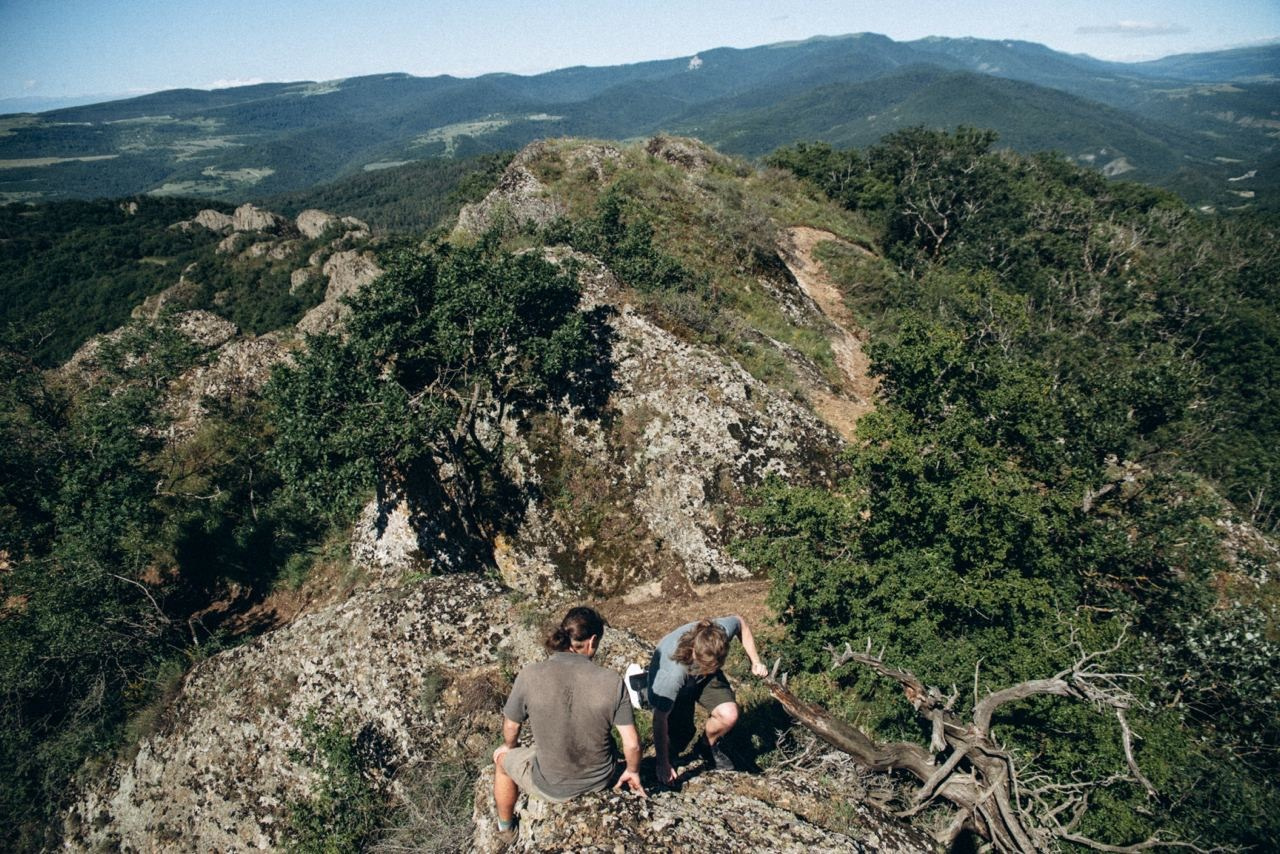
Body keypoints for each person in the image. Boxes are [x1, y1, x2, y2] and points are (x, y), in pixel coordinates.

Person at [493, 606, 645, 841]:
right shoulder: (612, 681)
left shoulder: (530, 675)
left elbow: (512, 726)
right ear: (592, 641)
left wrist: (508, 746)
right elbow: (632, 744)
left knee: (502, 763)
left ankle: (506, 830)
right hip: (601, 780)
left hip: (552, 786)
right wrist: (632, 771)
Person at [647, 614, 768, 783]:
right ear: (693, 651)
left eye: (715, 665)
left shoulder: (718, 633)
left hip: (702, 676)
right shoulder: (672, 673)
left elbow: (740, 622)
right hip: (680, 679)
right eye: (706, 665)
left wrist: (755, 661)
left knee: (729, 714)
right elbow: (659, 719)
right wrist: (662, 763)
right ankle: (667, 758)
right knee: (682, 734)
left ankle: (706, 747)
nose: (709, 669)